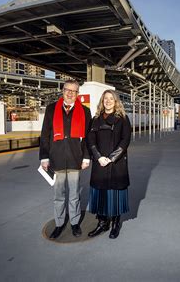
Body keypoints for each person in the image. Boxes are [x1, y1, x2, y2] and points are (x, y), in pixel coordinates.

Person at [39, 79, 92, 239]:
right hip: (56, 159)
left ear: (78, 94)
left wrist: (86, 157)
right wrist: (44, 157)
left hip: (76, 159)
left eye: (74, 91)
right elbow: (45, 135)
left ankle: (75, 223)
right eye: (67, 90)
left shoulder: (85, 111)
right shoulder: (51, 109)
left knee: (75, 194)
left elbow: (88, 137)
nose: (70, 93)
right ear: (63, 90)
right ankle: (60, 223)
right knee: (59, 195)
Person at [87, 90, 131, 239]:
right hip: (100, 162)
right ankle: (102, 223)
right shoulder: (96, 119)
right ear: (102, 101)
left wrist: (111, 158)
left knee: (115, 195)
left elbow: (125, 140)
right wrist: (98, 157)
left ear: (116, 101)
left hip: (116, 163)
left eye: (111, 98)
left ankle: (115, 224)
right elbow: (90, 139)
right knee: (100, 194)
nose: (108, 101)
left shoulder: (123, 119)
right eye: (105, 98)